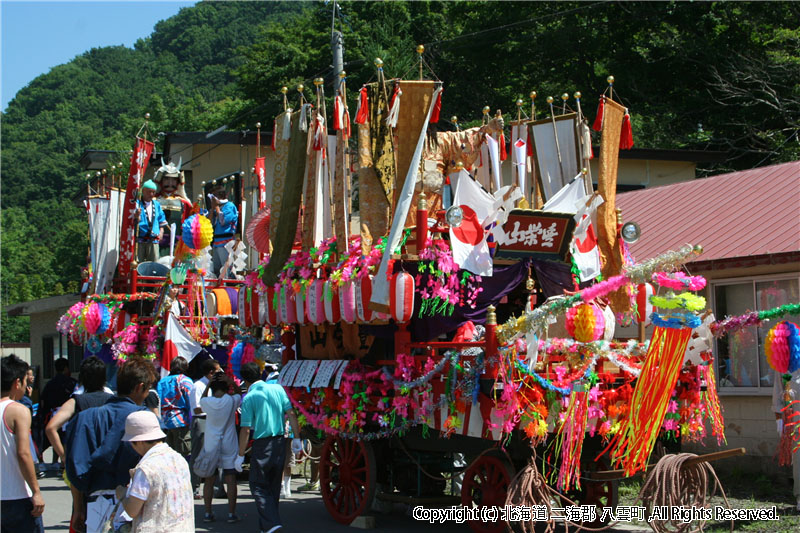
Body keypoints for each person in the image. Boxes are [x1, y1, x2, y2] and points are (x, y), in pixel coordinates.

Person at [65, 357, 157, 532]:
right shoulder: (144, 418)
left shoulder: (84, 419)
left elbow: (74, 469)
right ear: (139, 387)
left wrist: (77, 508)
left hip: (93, 504)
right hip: (134, 504)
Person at [45, 355, 112, 533]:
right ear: (104, 377)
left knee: (82, 517)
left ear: (82, 378)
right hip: (110, 470)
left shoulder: (76, 401)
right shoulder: (113, 400)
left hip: (84, 469)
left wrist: (64, 456)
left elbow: (51, 427)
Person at [237, 362, 301, 533]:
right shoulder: (279, 389)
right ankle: (267, 525)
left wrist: (240, 454)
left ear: (244, 380)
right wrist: (297, 437)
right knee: (272, 485)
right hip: (280, 441)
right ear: (259, 373)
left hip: (262, 443)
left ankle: (272, 523)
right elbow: (292, 413)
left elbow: (245, 430)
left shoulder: (249, 398)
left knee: (257, 484)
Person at [114, 410, 194, 532]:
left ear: (139, 441)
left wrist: (122, 494)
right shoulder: (179, 459)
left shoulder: (146, 469)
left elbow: (132, 510)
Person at [1, 355, 45, 533]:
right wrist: (36, 491)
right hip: (17, 495)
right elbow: (23, 453)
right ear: (16, 382)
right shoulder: (18, 410)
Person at [198, 372, 241, 523]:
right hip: (229, 444)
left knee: (209, 480)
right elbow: (239, 394)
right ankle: (231, 513)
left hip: (211, 445)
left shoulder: (207, 402)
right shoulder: (231, 400)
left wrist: (208, 384)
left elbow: (201, 400)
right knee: (231, 479)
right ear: (226, 387)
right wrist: (232, 383)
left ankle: (208, 512)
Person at [189, 358, 221, 493]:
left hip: (214, 421)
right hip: (201, 421)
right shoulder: (198, 386)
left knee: (216, 454)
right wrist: (213, 407)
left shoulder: (216, 386)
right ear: (211, 372)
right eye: (218, 371)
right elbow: (197, 409)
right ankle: (194, 486)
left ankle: (218, 487)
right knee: (198, 454)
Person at [36, 358, 76, 457]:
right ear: (66, 368)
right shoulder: (72, 383)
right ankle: (64, 461)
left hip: (53, 415)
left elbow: (44, 400)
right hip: (68, 415)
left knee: (55, 438)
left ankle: (56, 460)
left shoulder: (50, 384)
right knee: (66, 440)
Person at [773, 369, 800, 511]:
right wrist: (779, 419)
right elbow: (778, 390)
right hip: (796, 418)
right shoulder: (784, 364)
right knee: (799, 456)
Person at [156, 356, 193, 456]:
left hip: (166, 421)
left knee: (170, 454)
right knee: (184, 453)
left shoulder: (162, 381)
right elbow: (191, 401)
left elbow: (158, 401)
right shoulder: (185, 381)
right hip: (181, 420)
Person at [207, 185, 238, 277]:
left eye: (218, 194)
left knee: (225, 268)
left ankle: (227, 287)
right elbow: (209, 222)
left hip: (226, 241)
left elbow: (223, 221)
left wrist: (216, 207)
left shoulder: (230, 206)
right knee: (216, 268)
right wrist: (213, 209)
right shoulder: (216, 208)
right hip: (216, 242)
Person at [136, 179, 167, 263]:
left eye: (153, 192)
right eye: (149, 192)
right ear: (143, 191)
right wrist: (137, 216)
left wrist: (161, 232)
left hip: (154, 239)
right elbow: (133, 221)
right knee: (139, 263)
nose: (151, 194)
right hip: (140, 240)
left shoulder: (156, 204)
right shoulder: (137, 203)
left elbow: (161, 221)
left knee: (154, 264)